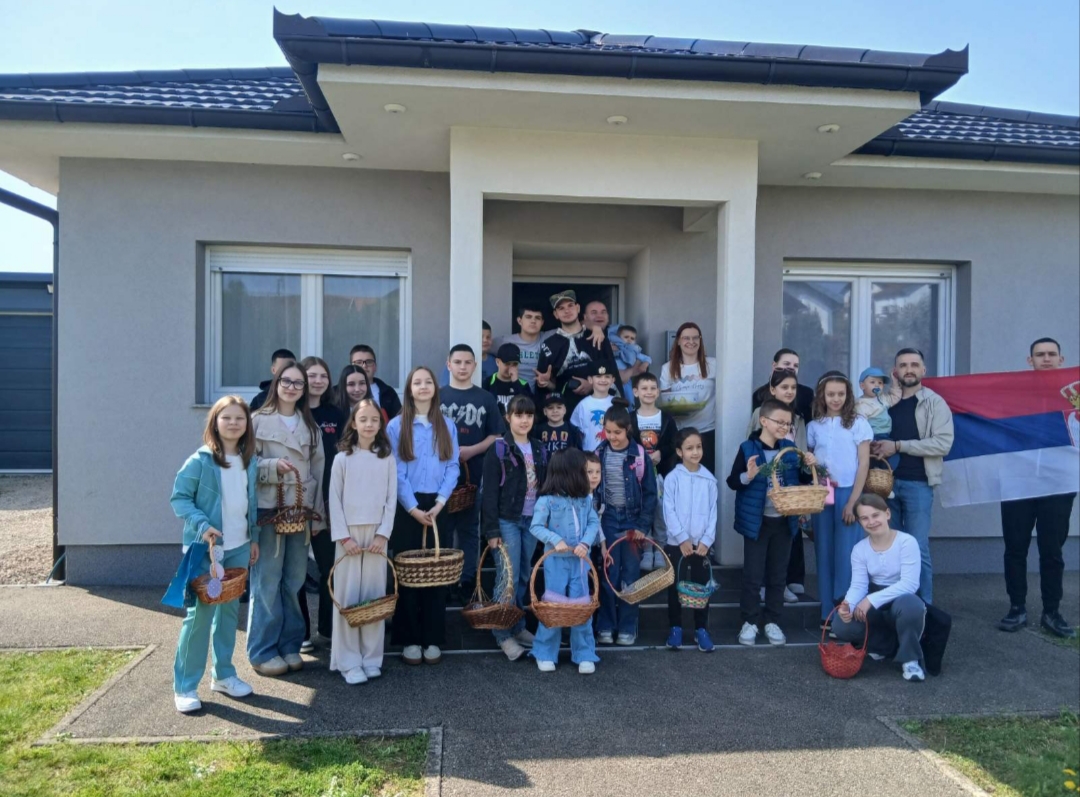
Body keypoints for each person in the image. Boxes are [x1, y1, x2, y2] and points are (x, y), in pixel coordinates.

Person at [169, 396, 260, 713]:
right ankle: (185, 686)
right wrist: (203, 524)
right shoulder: (200, 460)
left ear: (247, 424)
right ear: (215, 422)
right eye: (227, 418)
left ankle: (223, 675)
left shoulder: (249, 460)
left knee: (229, 614)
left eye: (240, 418)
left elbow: (250, 504)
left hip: (239, 547)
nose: (233, 423)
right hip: (206, 551)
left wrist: (253, 538)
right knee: (199, 617)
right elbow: (179, 498)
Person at [248, 363, 324, 677]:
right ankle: (262, 650)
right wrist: (270, 467)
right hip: (269, 512)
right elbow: (245, 463)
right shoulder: (257, 421)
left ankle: (290, 645)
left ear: (304, 390)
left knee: (294, 581)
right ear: (276, 384)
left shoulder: (311, 427)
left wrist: (317, 517)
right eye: (286, 381)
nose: (291, 387)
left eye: (298, 383)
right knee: (267, 581)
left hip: (300, 513)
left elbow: (318, 472)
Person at [998, 337, 1077, 638]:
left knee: (1052, 550)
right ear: (1029, 360)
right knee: (1015, 548)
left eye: (1051, 354)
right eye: (1040, 354)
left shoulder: (1073, 394)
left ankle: (1051, 612)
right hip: (1017, 481)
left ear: (1061, 359)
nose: (1046, 358)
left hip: (1058, 483)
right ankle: (1016, 607)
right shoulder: (1013, 393)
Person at [386, 367, 460, 666]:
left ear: (435, 388)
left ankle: (433, 637)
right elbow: (396, 470)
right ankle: (410, 638)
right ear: (409, 389)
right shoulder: (396, 426)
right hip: (408, 507)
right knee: (408, 573)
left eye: (428, 381)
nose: (423, 386)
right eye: (417, 382)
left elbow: (453, 465)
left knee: (436, 572)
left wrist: (440, 502)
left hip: (438, 505)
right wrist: (413, 508)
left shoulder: (447, 425)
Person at [727, 399, 816, 647]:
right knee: (753, 576)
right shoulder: (748, 448)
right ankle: (750, 621)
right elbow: (732, 481)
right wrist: (748, 475)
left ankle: (772, 621)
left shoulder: (789, 448)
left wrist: (808, 466)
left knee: (778, 575)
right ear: (764, 421)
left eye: (788, 424)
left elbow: (801, 479)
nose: (784, 427)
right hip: (757, 523)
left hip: (784, 522)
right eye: (780, 422)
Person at [871, 348, 955, 605]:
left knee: (917, 547)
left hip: (918, 483)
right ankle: (894, 607)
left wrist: (898, 446)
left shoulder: (934, 403)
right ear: (895, 371)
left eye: (914, 364)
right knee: (888, 548)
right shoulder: (883, 402)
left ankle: (923, 608)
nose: (909, 369)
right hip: (883, 485)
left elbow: (943, 443)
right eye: (903, 365)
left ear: (923, 370)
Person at [327, 398, 397, 684]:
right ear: (353, 423)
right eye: (363, 419)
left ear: (381, 424)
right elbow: (334, 499)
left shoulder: (386, 458)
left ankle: (371, 658)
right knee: (347, 597)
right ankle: (348, 661)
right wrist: (344, 537)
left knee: (373, 596)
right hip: (349, 535)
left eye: (374, 420)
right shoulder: (342, 459)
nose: (369, 424)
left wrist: (383, 534)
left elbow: (392, 498)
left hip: (377, 535)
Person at [833, 493, 928, 683]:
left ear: (887, 514)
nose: (871, 522)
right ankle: (885, 647)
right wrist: (848, 605)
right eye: (864, 518)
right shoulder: (860, 548)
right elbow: (859, 585)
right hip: (875, 597)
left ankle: (910, 659)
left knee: (911, 607)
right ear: (859, 522)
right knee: (840, 625)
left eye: (875, 515)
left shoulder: (906, 542)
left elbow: (910, 584)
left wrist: (870, 600)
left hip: (903, 597)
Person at [481, 395, 547, 660]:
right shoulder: (498, 449)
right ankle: (502, 634)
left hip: (532, 521)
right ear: (508, 418)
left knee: (522, 575)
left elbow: (545, 486)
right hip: (507, 520)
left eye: (529, 415)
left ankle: (517, 626)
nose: (524, 420)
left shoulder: (539, 448)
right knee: (507, 577)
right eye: (518, 415)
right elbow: (488, 495)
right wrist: (492, 531)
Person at [808, 374, 873, 629]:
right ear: (822, 396)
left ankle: (845, 612)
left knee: (847, 553)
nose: (836, 399)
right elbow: (811, 460)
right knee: (824, 551)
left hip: (849, 492)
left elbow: (864, 464)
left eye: (841, 394)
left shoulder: (858, 423)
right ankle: (827, 611)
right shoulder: (815, 426)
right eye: (830, 394)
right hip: (823, 493)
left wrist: (853, 502)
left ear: (848, 396)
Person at [529, 448, 602, 674]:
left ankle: (584, 653)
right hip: (556, 562)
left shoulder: (585, 499)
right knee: (553, 606)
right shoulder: (547, 501)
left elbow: (593, 523)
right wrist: (555, 539)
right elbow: (535, 526)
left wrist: (586, 543)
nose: (588, 475)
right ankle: (544, 652)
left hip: (580, 562)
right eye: (583, 470)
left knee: (581, 606)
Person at [440, 344, 503, 598]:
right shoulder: (438, 397)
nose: (463, 367)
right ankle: (444, 582)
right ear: (449, 365)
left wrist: (471, 450)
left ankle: (467, 582)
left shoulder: (485, 398)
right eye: (458, 362)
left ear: (475, 366)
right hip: (440, 479)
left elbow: (496, 435)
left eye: (468, 362)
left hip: (473, 475)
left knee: (469, 530)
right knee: (443, 531)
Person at [595, 404, 658, 646]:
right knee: (609, 573)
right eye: (608, 432)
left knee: (631, 575)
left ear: (628, 429)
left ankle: (627, 626)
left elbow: (650, 494)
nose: (612, 437)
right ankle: (606, 625)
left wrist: (643, 525)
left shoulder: (639, 455)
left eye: (617, 432)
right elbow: (593, 491)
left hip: (633, 520)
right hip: (608, 519)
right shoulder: (599, 453)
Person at [746, 368, 808, 600]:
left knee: (788, 535)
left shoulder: (799, 418)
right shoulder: (760, 413)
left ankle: (783, 584)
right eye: (784, 387)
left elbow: (802, 451)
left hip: (790, 485)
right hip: (765, 486)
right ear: (772, 390)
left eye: (793, 387)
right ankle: (762, 585)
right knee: (763, 538)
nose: (789, 391)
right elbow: (751, 443)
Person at [298, 356, 346, 652]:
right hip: (297, 502)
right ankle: (301, 632)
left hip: (329, 503)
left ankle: (328, 630)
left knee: (331, 568)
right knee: (295, 573)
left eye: (323, 376)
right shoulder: (294, 413)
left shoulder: (335, 414)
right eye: (311, 375)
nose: (317, 381)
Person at [662, 427, 718, 654]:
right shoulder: (673, 478)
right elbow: (668, 510)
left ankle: (701, 629)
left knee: (701, 587)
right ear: (679, 451)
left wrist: (707, 540)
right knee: (675, 585)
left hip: (701, 545)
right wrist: (682, 538)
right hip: (677, 544)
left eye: (699, 447)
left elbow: (713, 512)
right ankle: (675, 627)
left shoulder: (709, 480)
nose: (695, 452)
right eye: (689, 448)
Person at [535, 290, 622, 413]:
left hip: (602, 410)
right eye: (561, 308)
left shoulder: (598, 337)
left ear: (578, 308)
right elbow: (545, 390)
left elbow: (613, 375)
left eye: (570, 305)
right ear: (556, 314)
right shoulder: (549, 345)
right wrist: (544, 383)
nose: (567, 311)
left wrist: (592, 385)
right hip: (566, 413)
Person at [629, 371, 678, 569]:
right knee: (643, 510)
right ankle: (646, 550)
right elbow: (627, 444)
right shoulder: (630, 418)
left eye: (652, 388)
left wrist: (661, 453)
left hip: (662, 474)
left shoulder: (666, 418)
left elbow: (674, 443)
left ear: (658, 392)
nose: (648, 392)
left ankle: (660, 549)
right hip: (638, 476)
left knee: (661, 511)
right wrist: (641, 456)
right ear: (635, 392)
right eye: (644, 388)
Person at [660, 322, 718, 472]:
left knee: (706, 475)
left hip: (707, 431)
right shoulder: (667, 368)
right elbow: (666, 400)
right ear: (678, 341)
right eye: (686, 338)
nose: (691, 342)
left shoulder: (714, 365)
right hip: (680, 433)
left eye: (695, 338)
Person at [583, 301, 649, 390]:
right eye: (594, 312)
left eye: (603, 312)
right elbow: (621, 377)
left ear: (608, 317)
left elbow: (639, 359)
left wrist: (633, 367)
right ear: (585, 317)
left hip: (619, 394)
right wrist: (630, 370)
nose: (599, 316)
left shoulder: (617, 335)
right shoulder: (580, 339)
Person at [855, 367, 902, 471]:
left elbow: (895, 397)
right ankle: (873, 471)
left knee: (893, 456)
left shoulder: (883, 399)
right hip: (873, 436)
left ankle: (884, 472)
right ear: (862, 386)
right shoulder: (860, 404)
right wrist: (868, 441)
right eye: (872, 382)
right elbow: (860, 425)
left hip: (886, 436)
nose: (877, 385)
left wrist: (894, 382)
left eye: (880, 383)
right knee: (871, 456)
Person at [751, 348, 814, 424]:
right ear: (774, 365)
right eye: (786, 364)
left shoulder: (807, 394)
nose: (791, 368)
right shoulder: (759, 394)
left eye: (796, 365)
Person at [499, 303, 552, 387]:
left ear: (542, 322)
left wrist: (548, 383)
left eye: (537, 318)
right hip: (512, 392)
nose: (533, 321)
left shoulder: (549, 337)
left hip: (540, 392)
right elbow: (483, 345)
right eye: (528, 317)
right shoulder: (505, 341)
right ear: (519, 321)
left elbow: (570, 330)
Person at [569, 362, 617, 452]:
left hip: (614, 454)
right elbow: (574, 433)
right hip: (589, 455)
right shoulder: (583, 405)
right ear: (590, 380)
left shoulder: (618, 403)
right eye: (598, 376)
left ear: (613, 380)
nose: (603, 380)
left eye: (607, 376)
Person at [350, 345, 403, 418]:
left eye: (369, 362)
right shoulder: (337, 392)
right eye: (359, 362)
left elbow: (399, 421)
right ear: (350, 367)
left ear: (375, 367)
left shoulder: (388, 393)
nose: (364, 366)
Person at [487, 342, 533, 413]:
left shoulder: (523, 384)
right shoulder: (488, 382)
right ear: (497, 362)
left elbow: (528, 408)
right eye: (507, 364)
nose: (510, 368)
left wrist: (516, 382)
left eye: (515, 364)